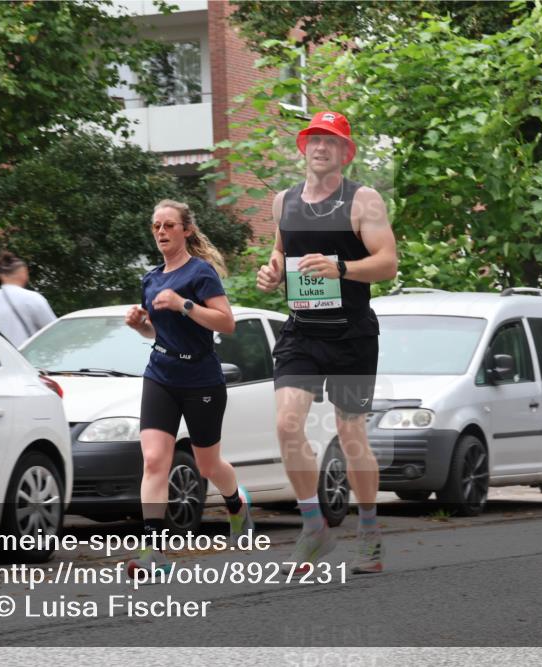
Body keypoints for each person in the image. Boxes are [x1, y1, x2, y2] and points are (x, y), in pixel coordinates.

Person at [256, 111, 398, 575]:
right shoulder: (283, 202)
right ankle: (314, 527)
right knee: (286, 424)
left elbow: (388, 263)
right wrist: (273, 269)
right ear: (304, 147)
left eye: (331, 141)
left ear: (344, 152)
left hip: (351, 334)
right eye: (314, 139)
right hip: (302, 331)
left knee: (352, 435)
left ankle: (370, 533)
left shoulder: (364, 200)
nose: (321, 147)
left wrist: (342, 268)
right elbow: (281, 251)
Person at [125, 199, 253, 576]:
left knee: (207, 463)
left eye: (168, 225)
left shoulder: (201, 273)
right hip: (160, 374)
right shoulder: (151, 278)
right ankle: (155, 553)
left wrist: (184, 305)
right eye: (156, 227)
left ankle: (236, 504)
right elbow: (156, 331)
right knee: (153, 461)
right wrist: (140, 326)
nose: (161, 232)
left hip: (201, 378)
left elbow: (226, 323)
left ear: (186, 230)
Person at [0, 251, 57, 347]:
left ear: (1, 276)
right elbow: (54, 331)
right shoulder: (32, 298)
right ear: (24, 274)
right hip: (23, 359)